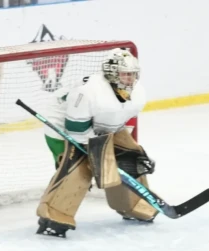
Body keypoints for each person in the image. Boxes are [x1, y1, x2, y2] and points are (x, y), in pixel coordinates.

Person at [35, 48, 157, 238]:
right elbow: (77, 132)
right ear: (112, 73)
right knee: (78, 167)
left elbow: (117, 122)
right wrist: (101, 160)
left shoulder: (138, 93)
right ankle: (53, 217)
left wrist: (129, 152)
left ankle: (132, 205)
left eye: (132, 74)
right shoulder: (88, 93)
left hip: (99, 124)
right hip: (63, 125)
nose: (130, 79)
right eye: (125, 74)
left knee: (130, 156)